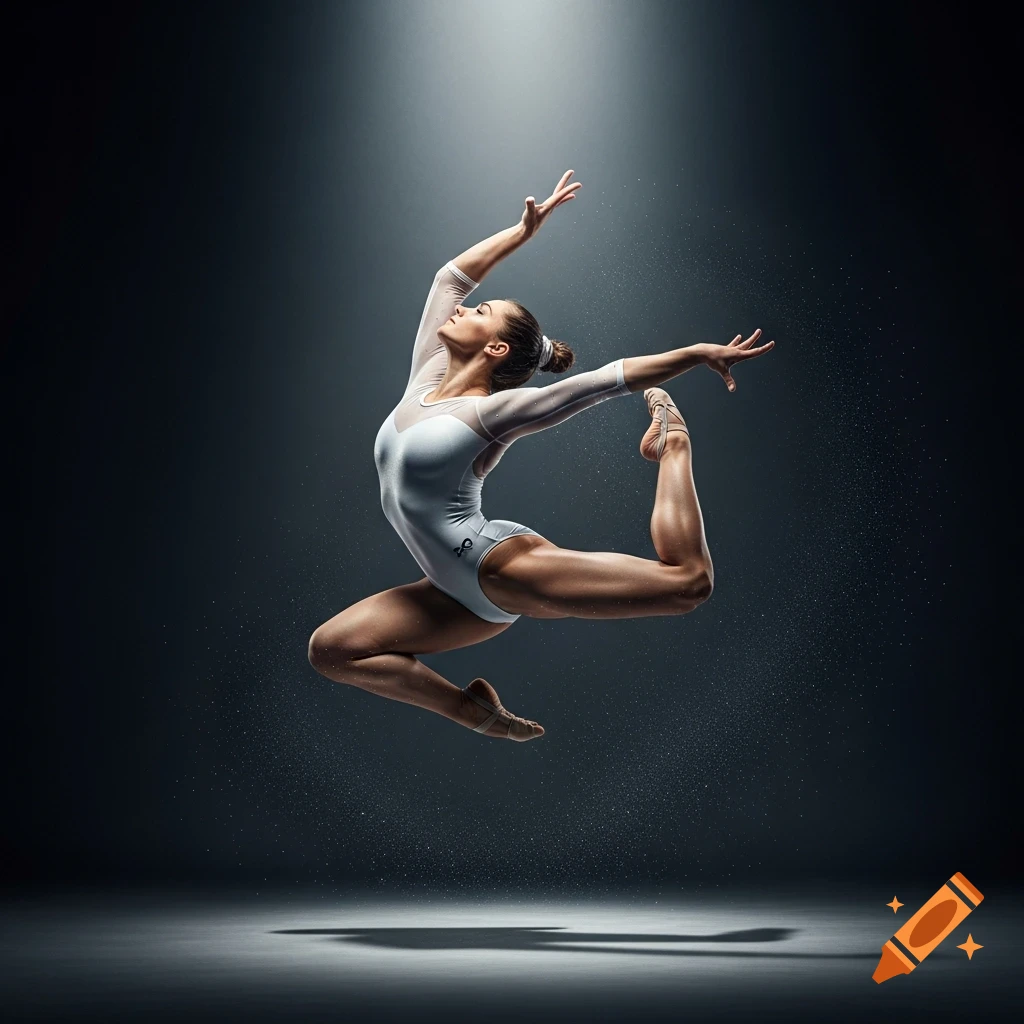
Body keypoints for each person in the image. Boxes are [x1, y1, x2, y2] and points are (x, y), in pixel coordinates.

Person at [308, 170, 774, 741]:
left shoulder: (492, 414)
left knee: (688, 584)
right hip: (452, 596)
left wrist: (696, 354)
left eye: (482, 311)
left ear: (495, 347)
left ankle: (672, 443)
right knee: (332, 650)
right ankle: (476, 713)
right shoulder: (426, 376)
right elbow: (450, 279)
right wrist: (521, 233)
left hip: (498, 567)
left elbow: (602, 382)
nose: (466, 309)